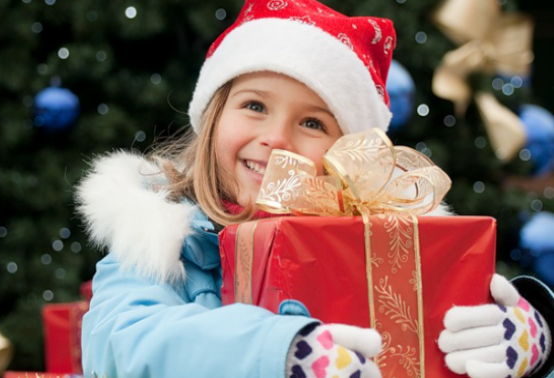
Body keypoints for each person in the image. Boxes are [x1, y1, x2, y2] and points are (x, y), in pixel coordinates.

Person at [75, 1, 554, 377]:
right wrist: (279, 351)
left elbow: (449, 332)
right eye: (255, 106)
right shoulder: (162, 239)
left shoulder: (389, 246)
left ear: (348, 152)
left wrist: (536, 340)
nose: (277, 138)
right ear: (213, 116)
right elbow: (120, 342)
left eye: (311, 122)